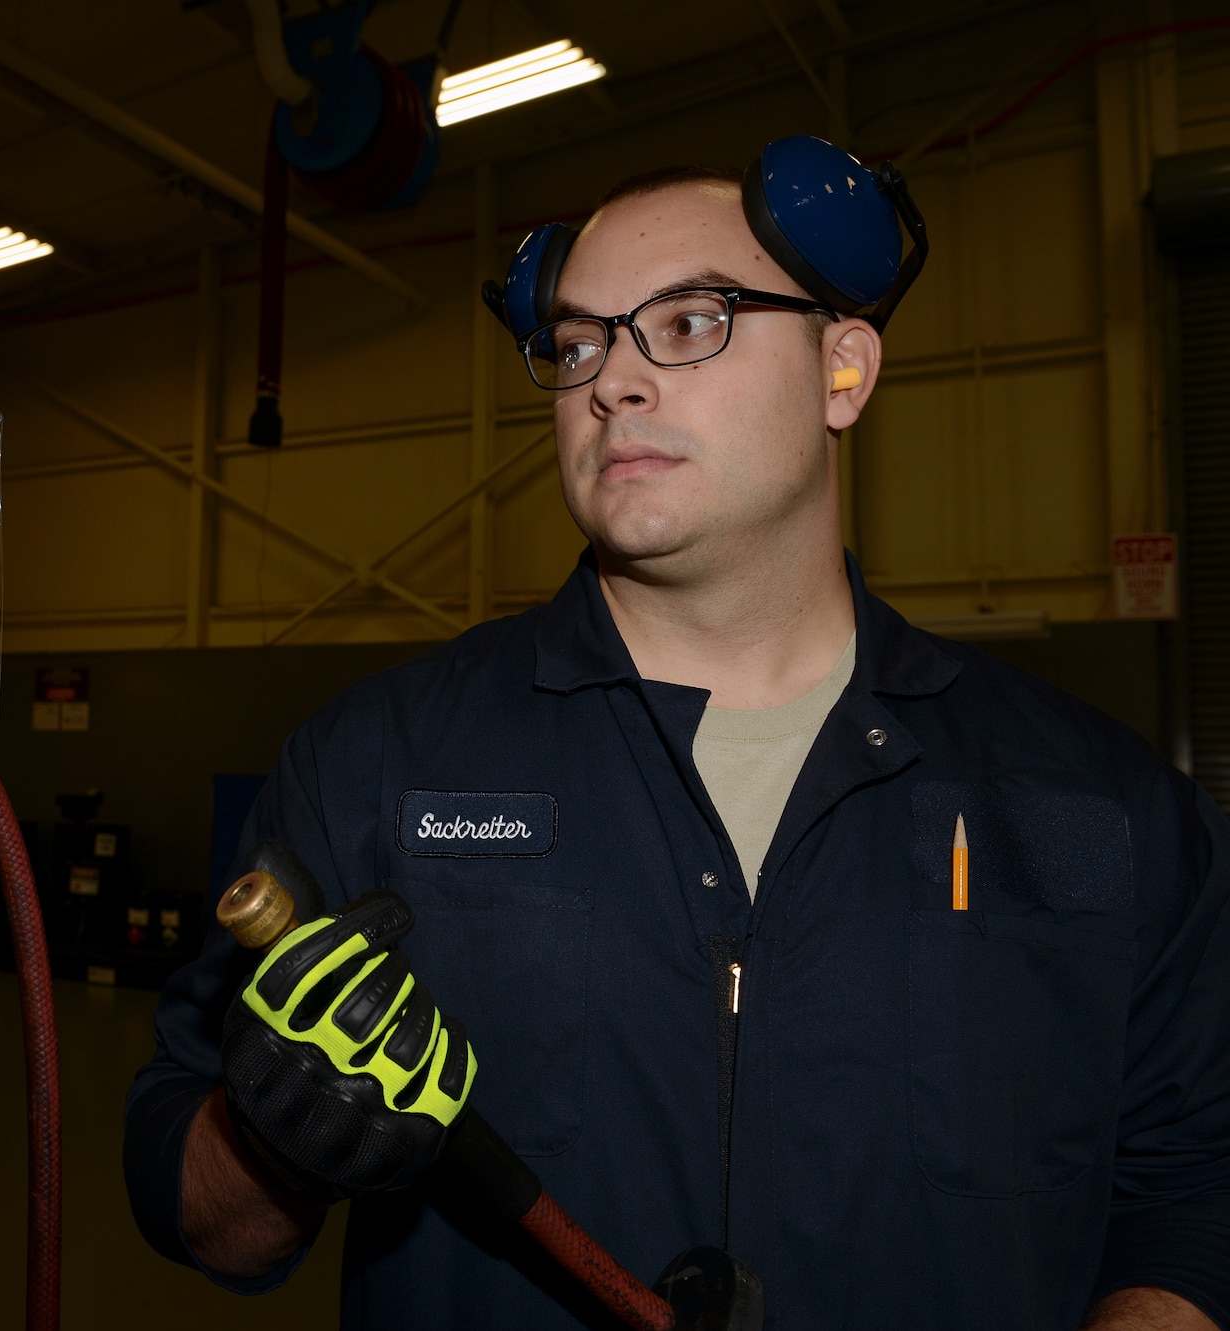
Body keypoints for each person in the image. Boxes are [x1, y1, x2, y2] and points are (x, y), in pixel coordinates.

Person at [124, 162, 1230, 1330]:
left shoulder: (1108, 805)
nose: (615, 383)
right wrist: (274, 1144)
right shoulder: (374, 763)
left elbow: (1193, 1186)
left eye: (690, 322)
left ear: (841, 372)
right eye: (578, 345)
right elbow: (195, 1202)